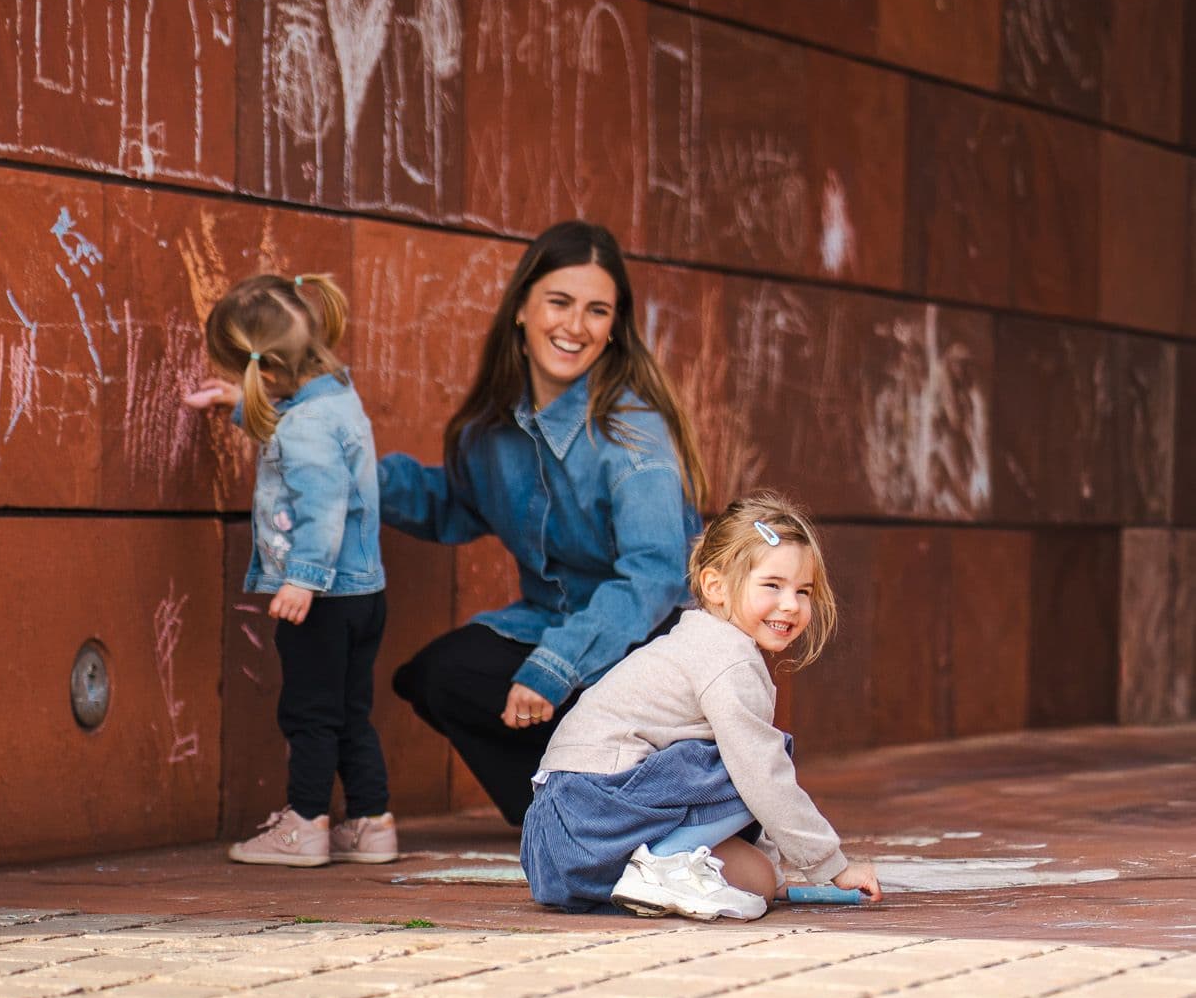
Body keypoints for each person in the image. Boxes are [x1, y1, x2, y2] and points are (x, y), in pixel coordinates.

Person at [380, 221, 707, 825]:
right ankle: (571, 811)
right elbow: (453, 503)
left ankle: (631, 805)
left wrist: (555, 666)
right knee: (439, 677)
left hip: (647, 641)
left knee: (560, 677)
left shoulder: (632, 436)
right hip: (555, 621)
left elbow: (655, 574)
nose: (575, 326)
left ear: (614, 328)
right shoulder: (496, 430)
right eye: (559, 302)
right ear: (522, 309)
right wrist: (341, 474)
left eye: (597, 311)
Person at [520, 492, 883, 920]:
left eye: (803, 591)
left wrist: (775, 870)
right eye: (772, 585)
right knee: (760, 754)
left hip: (559, 845)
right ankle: (659, 867)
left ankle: (654, 872)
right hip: (595, 814)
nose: (791, 604)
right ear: (715, 586)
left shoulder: (696, 640)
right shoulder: (728, 658)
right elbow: (759, 773)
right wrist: (832, 867)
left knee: (760, 882)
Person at [185, 273, 396, 868]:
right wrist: (237, 406)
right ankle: (371, 823)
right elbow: (297, 435)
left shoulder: (303, 425)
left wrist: (302, 579)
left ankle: (305, 824)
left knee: (309, 714)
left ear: (270, 373)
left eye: (244, 377)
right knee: (350, 713)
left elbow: (322, 499)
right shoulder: (337, 396)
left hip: (320, 598)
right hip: (363, 593)